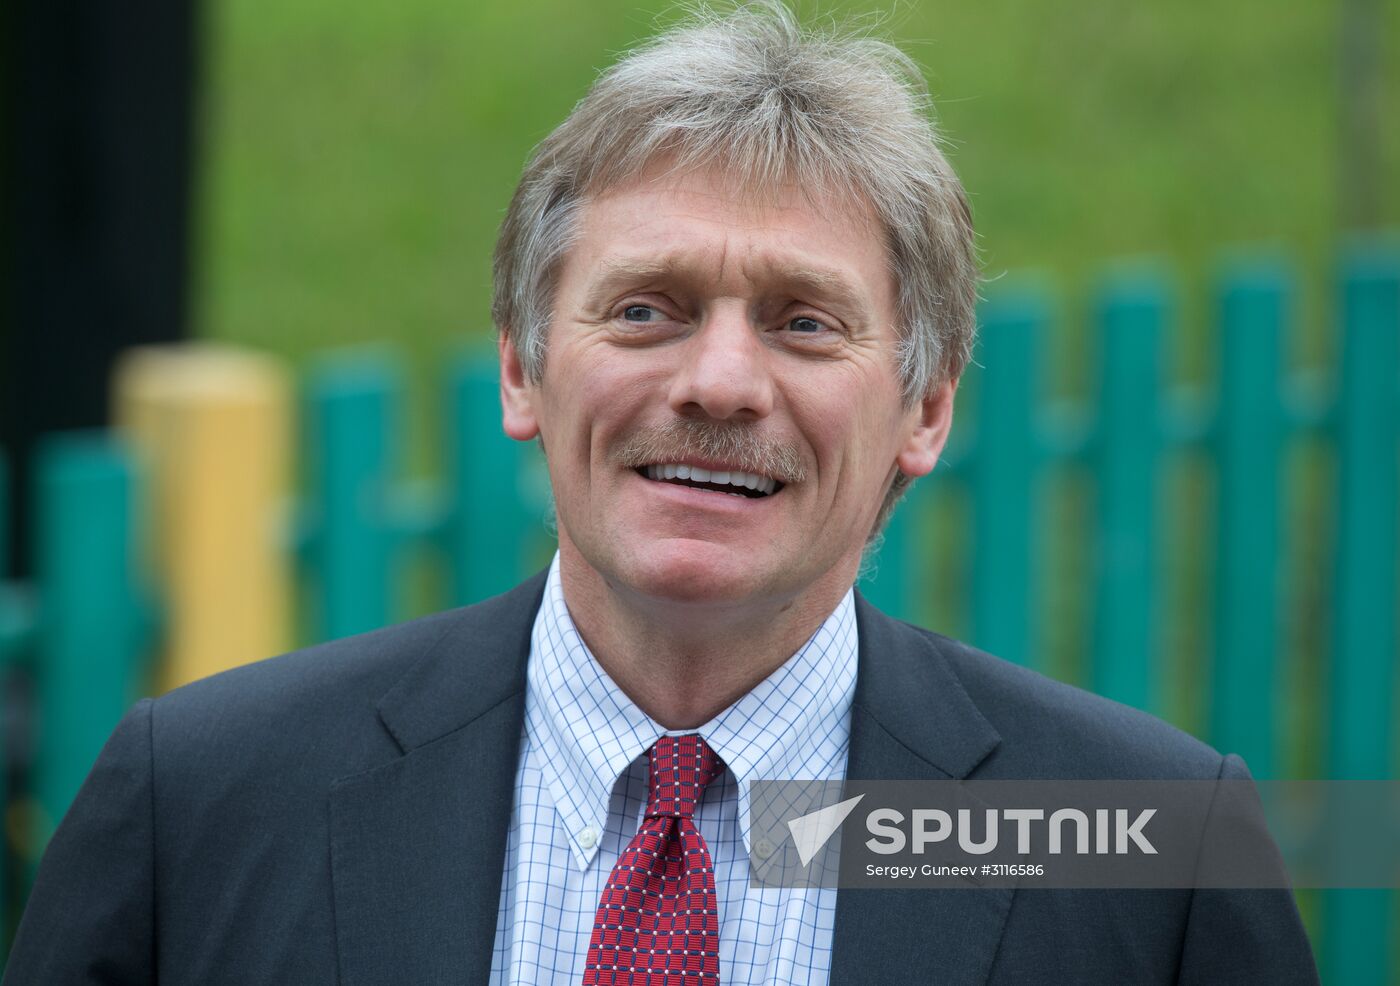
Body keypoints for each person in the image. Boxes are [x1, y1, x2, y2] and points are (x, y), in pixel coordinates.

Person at [4, 3, 1318, 984]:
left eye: (806, 323)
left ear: (928, 405)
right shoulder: (203, 804)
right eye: (648, 308)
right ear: (524, 366)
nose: (721, 380)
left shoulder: (1146, 854)